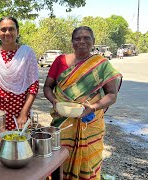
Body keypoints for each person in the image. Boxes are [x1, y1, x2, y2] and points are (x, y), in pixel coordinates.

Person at [43, 26, 122, 179]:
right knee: (59, 159)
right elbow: (47, 87)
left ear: (93, 41)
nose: (82, 41)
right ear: (72, 42)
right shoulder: (60, 61)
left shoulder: (101, 64)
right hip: (63, 120)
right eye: (77, 38)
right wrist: (55, 102)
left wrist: (93, 107)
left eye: (86, 38)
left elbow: (112, 94)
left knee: (89, 162)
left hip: (90, 123)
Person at [0, 16, 39, 130]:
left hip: (20, 113)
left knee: (19, 144)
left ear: (18, 31)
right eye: (3, 29)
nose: (7, 33)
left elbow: (33, 86)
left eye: (11, 29)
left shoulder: (27, 54)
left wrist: (23, 114)